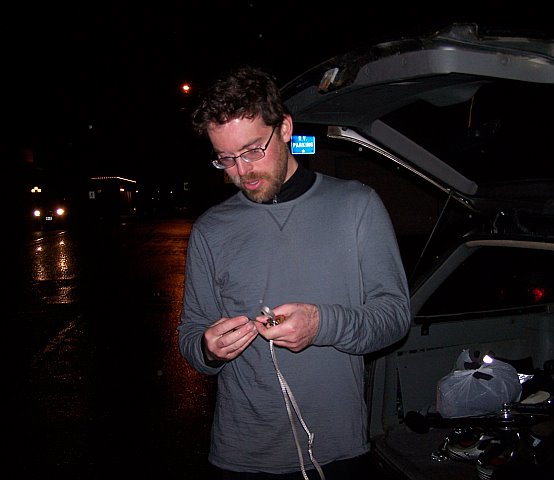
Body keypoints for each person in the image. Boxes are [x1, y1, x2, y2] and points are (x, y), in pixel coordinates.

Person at [177, 64, 412, 480]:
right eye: (226, 159)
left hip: (338, 450)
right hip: (241, 456)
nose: (242, 171)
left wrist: (321, 324)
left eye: (253, 150)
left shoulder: (357, 205)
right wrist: (209, 349)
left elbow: (394, 317)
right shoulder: (210, 230)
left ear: (284, 128)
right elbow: (192, 336)